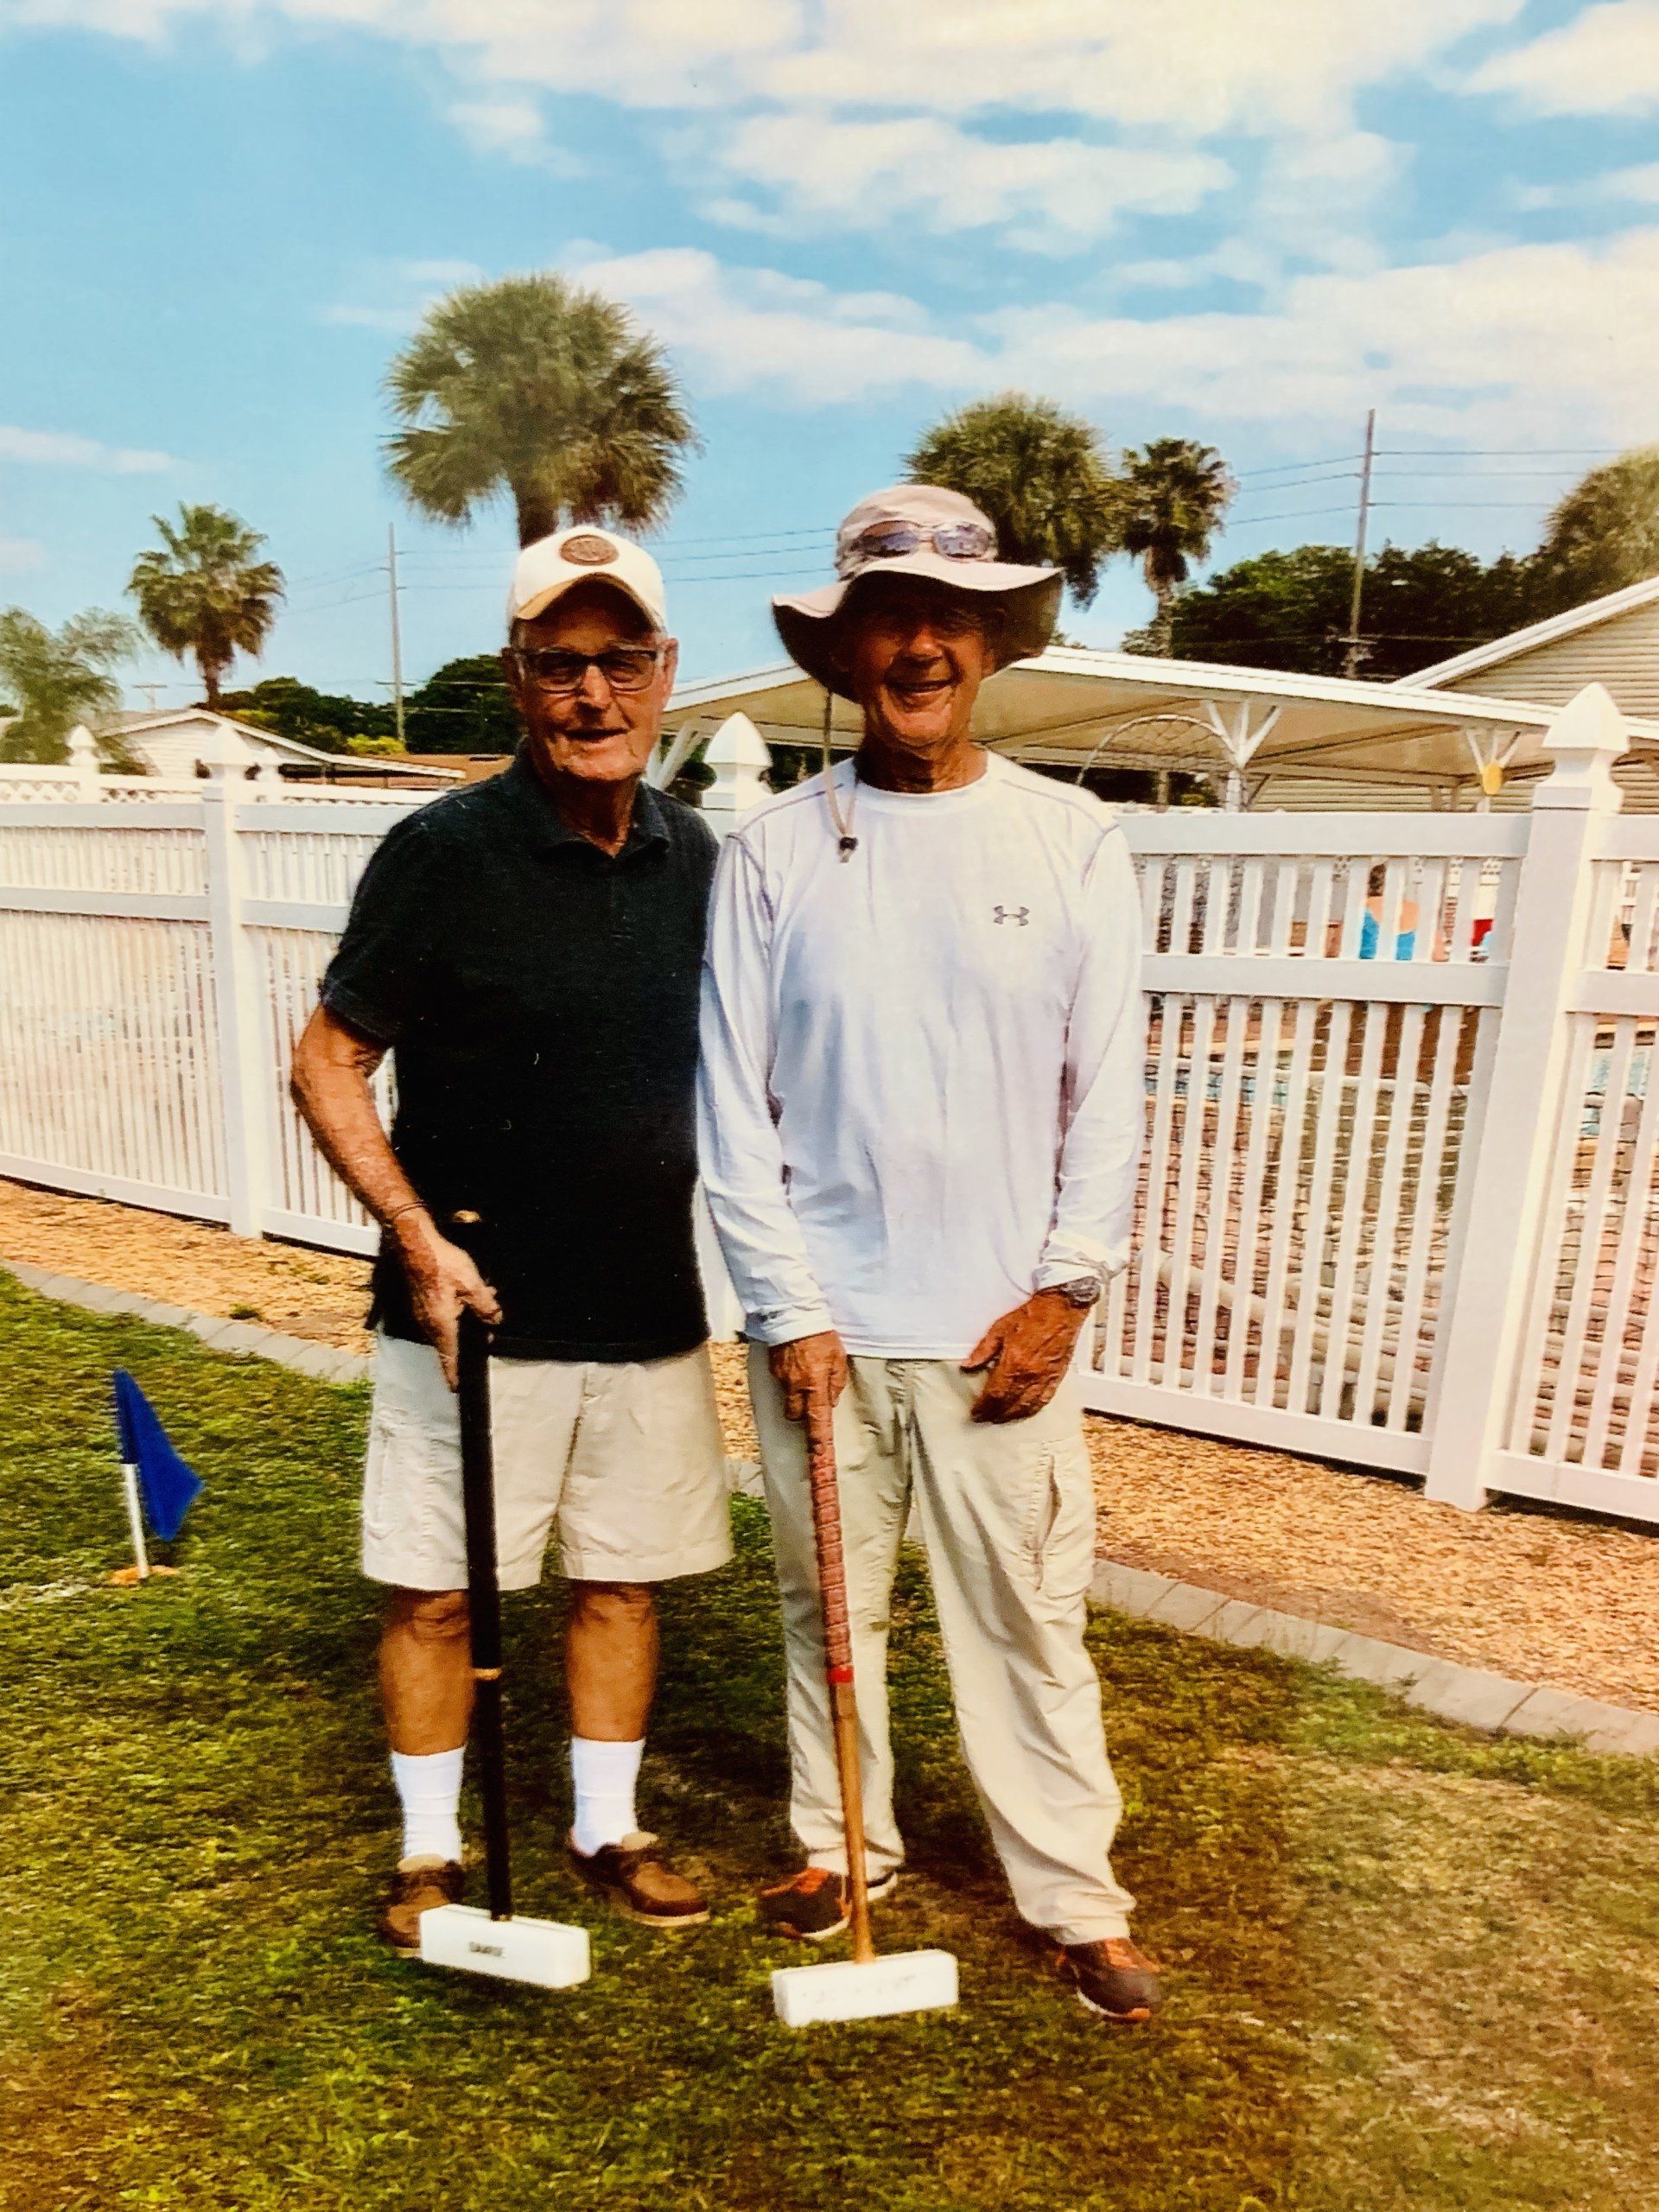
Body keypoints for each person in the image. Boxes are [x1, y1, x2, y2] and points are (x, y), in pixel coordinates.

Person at [697, 485, 1159, 2024]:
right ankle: (844, 1851)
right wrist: (786, 1309)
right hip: (823, 1326)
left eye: (949, 621)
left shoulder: (1074, 838)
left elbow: (1105, 1092)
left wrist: (1065, 1289)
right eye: (890, 618)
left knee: (1025, 1619)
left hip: (993, 1336)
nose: (920, 649)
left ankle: (1074, 1901)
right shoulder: (772, 849)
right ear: (845, 651)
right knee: (823, 1612)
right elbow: (734, 1106)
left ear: (989, 644)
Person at [291, 526, 731, 1953]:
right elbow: (328, 1059)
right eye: (562, 665)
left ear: (666, 674)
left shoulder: (701, 858)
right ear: (518, 678)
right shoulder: (442, 852)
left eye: (622, 662)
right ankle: (430, 1860)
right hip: (466, 1304)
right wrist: (415, 1237)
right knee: (435, 1591)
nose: (594, 695)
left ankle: (609, 1828)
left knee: (623, 1578)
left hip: (647, 1304)